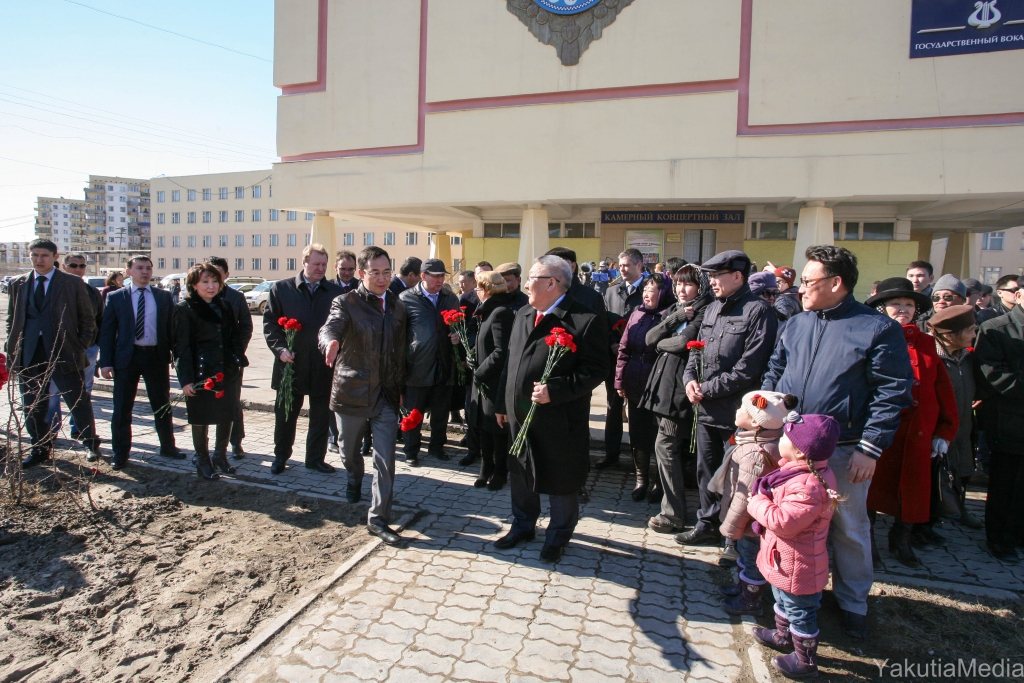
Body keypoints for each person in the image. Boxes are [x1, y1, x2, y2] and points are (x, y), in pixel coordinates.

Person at [762, 246, 913, 639]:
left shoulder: (877, 328)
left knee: (849, 526)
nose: (801, 290)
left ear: (836, 283)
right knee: (789, 523)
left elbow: (891, 393)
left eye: (809, 282)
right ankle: (785, 595)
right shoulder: (797, 323)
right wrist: (767, 411)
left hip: (845, 449)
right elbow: (776, 370)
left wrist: (870, 448)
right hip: (790, 445)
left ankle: (852, 602)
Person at [493, 255, 609, 560]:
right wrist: (500, 403)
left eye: (533, 277)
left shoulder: (584, 319)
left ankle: (557, 537)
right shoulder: (523, 314)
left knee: (561, 478)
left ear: (552, 283)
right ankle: (522, 525)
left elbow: (596, 369)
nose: (526, 283)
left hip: (559, 418)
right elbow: (510, 363)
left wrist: (555, 391)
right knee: (520, 472)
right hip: (519, 414)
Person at [678, 250, 778, 553]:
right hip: (706, 409)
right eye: (709, 275)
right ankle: (706, 524)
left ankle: (732, 538)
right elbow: (696, 349)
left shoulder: (759, 311)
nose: (711, 281)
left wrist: (706, 388)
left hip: (738, 414)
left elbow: (749, 368)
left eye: (716, 275)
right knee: (706, 471)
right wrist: (690, 381)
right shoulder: (712, 309)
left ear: (738, 276)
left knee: (737, 478)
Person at [864, 278, 958, 568]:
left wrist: (943, 431)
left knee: (913, 491)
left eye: (909, 305)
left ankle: (901, 539)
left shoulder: (928, 343)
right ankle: (866, 544)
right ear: (883, 308)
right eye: (896, 304)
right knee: (869, 491)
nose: (903, 309)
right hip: (882, 431)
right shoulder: (869, 339)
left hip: (918, 434)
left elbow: (944, 392)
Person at [320, 246, 407, 545]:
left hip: (385, 395)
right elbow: (330, 327)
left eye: (387, 272)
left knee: (385, 460)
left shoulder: (398, 306)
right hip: (352, 392)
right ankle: (353, 477)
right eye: (375, 273)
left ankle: (378, 518)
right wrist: (330, 342)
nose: (383, 279)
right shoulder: (346, 302)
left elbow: (402, 352)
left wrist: (404, 391)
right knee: (349, 452)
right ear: (361, 273)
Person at [748, 414, 842, 679]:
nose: (780, 440)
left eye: (785, 438)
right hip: (786, 562)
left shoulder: (808, 486)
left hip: (800, 567)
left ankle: (805, 661)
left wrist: (756, 503)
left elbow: (783, 522)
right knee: (782, 600)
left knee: (800, 612)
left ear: (800, 451)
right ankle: (782, 635)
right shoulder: (800, 473)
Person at [6, 239, 102, 466]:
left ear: (54, 257)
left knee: (77, 401)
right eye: (35, 255)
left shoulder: (70, 283)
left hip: (64, 351)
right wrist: (12, 349)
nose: (39, 260)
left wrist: (79, 345)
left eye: (44, 256)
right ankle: (40, 447)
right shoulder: (19, 283)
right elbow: (12, 318)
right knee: (32, 403)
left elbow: (88, 319)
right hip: (30, 353)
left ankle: (90, 443)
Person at [640, 264, 713, 533]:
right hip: (662, 391)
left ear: (701, 286)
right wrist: (673, 320)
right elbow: (649, 338)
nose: (682, 289)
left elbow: (683, 343)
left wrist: (665, 341)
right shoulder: (677, 310)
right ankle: (673, 507)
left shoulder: (705, 311)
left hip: (681, 394)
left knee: (667, 448)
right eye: (679, 284)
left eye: (689, 284)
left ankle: (673, 514)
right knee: (666, 448)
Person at [264, 244, 342, 475]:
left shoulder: (334, 292)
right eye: (316, 264)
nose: (320, 269)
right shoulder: (282, 289)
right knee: (286, 414)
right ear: (304, 263)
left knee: (320, 417)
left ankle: (315, 459)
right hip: (291, 365)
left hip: (322, 366)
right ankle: (281, 457)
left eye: (324, 265)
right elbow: (270, 325)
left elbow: (341, 325)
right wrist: (280, 350)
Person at [99, 255, 183, 469]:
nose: (144, 272)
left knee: (161, 404)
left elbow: (172, 329)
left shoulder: (163, 297)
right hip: (127, 358)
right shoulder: (117, 297)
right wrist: (105, 362)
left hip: (156, 356)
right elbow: (107, 331)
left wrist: (177, 356)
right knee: (122, 407)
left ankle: (168, 447)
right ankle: (120, 452)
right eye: (139, 268)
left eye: (148, 268)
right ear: (129, 272)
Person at [716, 391, 796, 615]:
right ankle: (742, 588)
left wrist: (730, 527)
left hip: (751, 522)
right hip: (751, 520)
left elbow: (743, 499)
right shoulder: (757, 441)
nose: (737, 411)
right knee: (745, 554)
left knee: (751, 558)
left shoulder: (755, 454)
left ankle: (751, 600)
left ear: (754, 421)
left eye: (742, 409)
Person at [173, 263, 247, 480]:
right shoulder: (184, 308)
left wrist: (235, 361)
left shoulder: (224, 305)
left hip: (225, 370)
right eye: (205, 281)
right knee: (201, 417)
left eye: (215, 281)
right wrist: (186, 380)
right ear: (194, 284)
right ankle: (202, 460)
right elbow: (181, 347)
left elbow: (234, 337)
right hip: (201, 373)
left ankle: (220, 456)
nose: (211, 286)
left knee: (227, 413)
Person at [974, 285, 1024, 560]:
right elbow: (991, 374)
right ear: (1018, 295)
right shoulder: (997, 328)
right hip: (1009, 422)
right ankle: (1001, 539)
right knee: (1007, 483)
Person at [615, 273, 674, 502]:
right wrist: (620, 380)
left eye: (653, 290)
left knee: (659, 435)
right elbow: (624, 349)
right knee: (638, 433)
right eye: (646, 289)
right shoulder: (636, 314)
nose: (647, 294)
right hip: (635, 381)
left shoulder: (670, 315)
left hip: (660, 383)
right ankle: (641, 480)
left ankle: (660, 482)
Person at [400, 258, 460, 466]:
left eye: (442, 276)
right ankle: (410, 451)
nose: (440, 280)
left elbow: (459, 326)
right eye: (435, 276)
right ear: (423, 276)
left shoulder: (450, 298)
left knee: (441, 411)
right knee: (413, 413)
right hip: (417, 365)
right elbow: (399, 335)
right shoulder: (406, 299)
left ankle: (437, 447)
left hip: (444, 363)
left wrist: (457, 337)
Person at [928, 305, 983, 529]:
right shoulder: (932, 359)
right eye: (970, 330)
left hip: (963, 427)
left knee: (962, 470)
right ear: (949, 336)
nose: (974, 334)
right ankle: (926, 523)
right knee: (934, 478)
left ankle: (958, 510)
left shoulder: (967, 358)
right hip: (938, 432)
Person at [596, 248, 647, 471]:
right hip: (614, 359)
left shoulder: (650, 290)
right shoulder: (611, 291)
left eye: (627, 265)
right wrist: (612, 343)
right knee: (612, 407)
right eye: (621, 265)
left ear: (639, 266)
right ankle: (611, 454)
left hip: (640, 360)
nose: (622, 269)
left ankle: (640, 461)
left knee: (638, 411)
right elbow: (603, 321)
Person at [467, 271, 516, 490]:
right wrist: (472, 359)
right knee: (484, 427)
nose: (476, 292)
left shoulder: (500, 313)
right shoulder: (486, 312)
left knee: (497, 430)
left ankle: (500, 472)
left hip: (494, 381)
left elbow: (501, 351)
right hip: (484, 380)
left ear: (486, 290)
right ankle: (485, 469)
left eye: (478, 288)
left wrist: (479, 372)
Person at [206, 256, 254, 460]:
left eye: (219, 274)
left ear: (226, 275)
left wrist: (236, 352)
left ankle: (236, 442)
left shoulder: (235, 297)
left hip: (231, 360)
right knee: (207, 402)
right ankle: (208, 447)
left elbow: (246, 326)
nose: (214, 280)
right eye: (210, 274)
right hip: (206, 360)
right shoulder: (199, 297)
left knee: (232, 402)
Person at [62, 253, 103, 439]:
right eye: (73, 265)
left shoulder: (92, 292)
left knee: (84, 391)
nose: (77, 269)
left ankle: (79, 429)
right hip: (60, 348)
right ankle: (48, 434)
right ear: (64, 266)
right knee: (53, 393)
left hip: (87, 349)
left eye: (81, 266)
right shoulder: (55, 289)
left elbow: (99, 320)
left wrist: (95, 346)